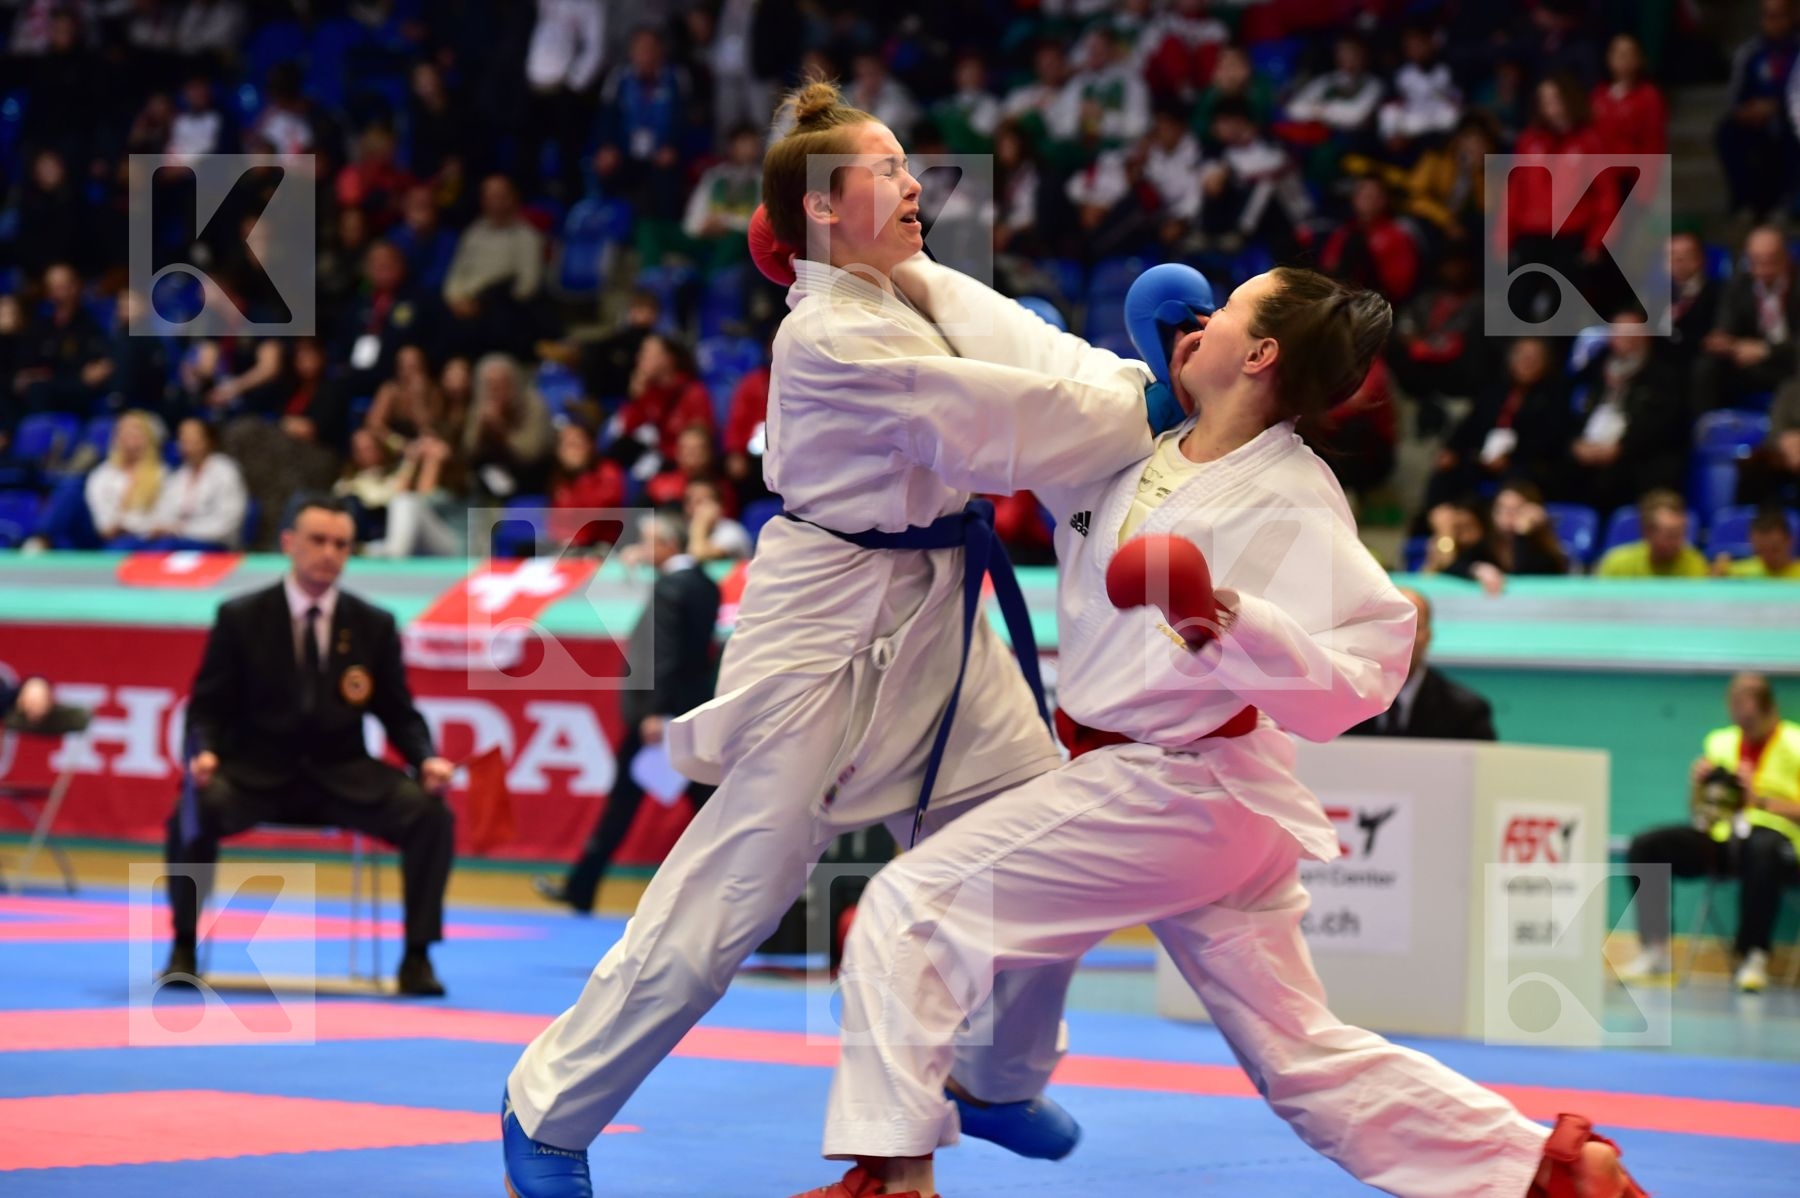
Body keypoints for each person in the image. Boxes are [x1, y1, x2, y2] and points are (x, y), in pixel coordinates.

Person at [793, 268, 1643, 1198]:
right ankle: (1545, 1172)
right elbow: (1029, 410)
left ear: (1260, 353)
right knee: (1302, 1060)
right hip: (1193, 802)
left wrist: (1227, 621)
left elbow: (1368, 669)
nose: (1200, 320)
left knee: (909, 908)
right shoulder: (1137, 436)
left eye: (1225, 310)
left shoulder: (1291, 497)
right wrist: (888, 271)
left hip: (1175, 785)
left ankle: (895, 1179)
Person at [501, 77, 1164, 1197]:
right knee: (731, 899)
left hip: (940, 610)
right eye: (892, 168)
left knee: (1042, 848)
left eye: (911, 166)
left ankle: (993, 1076)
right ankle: (549, 1107)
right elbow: (1004, 423)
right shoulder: (826, 337)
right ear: (819, 205)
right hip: (824, 624)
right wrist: (1156, 403)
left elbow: (1041, 359)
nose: (917, 184)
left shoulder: (917, 284)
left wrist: (1140, 384)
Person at [161, 494, 457, 997]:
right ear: (289, 544)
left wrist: (426, 758)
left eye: (341, 544)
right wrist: (204, 752)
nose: (329, 553)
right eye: (318, 541)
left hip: (343, 775)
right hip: (256, 773)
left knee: (431, 815)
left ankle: (417, 958)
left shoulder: (373, 624)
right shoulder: (241, 617)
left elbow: (398, 712)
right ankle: (183, 946)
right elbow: (206, 706)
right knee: (193, 809)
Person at [535, 511, 720, 915]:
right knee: (700, 804)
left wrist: (655, 710)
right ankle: (581, 886)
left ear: (670, 546)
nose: (640, 549)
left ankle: (582, 886)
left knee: (643, 803)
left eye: (650, 541)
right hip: (688, 711)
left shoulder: (671, 588)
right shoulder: (706, 586)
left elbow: (665, 653)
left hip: (660, 717)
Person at [1624, 673, 1800, 992]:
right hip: (1722, 835)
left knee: (1763, 852)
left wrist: (1759, 800)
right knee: (1646, 846)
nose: (1744, 724)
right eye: (1738, 715)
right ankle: (1655, 949)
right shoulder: (1720, 742)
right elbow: (1699, 811)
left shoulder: (1795, 743)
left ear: (1770, 708)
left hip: (1778, 841)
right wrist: (1699, 786)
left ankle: (1753, 954)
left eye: (1751, 717)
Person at [1346, 588, 1497, 740]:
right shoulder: (1340, 706)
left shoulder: (1465, 712)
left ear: (1428, 636)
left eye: (1411, 626)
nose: (1399, 638)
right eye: (1387, 626)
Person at [1695, 225, 1799, 411]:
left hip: (1791, 362)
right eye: (1757, 261)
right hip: (1753, 364)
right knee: (1707, 367)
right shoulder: (1739, 286)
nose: (1764, 269)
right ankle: (1709, 429)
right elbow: (1725, 328)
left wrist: (1767, 350)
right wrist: (1726, 342)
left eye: (1771, 260)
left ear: (1786, 258)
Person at [1594, 489, 1709, 578]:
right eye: (1670, 535)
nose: (1678, 542)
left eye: (1681, 533)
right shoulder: (1616, 564)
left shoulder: (1694, 562)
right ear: (1647, 532)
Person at [1712, 506, 1800, 578]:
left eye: (1775, 550)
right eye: (1760, 551)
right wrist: (1717, 572)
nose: (1768, 557)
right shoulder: (1740, 573)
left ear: (1790, 540)